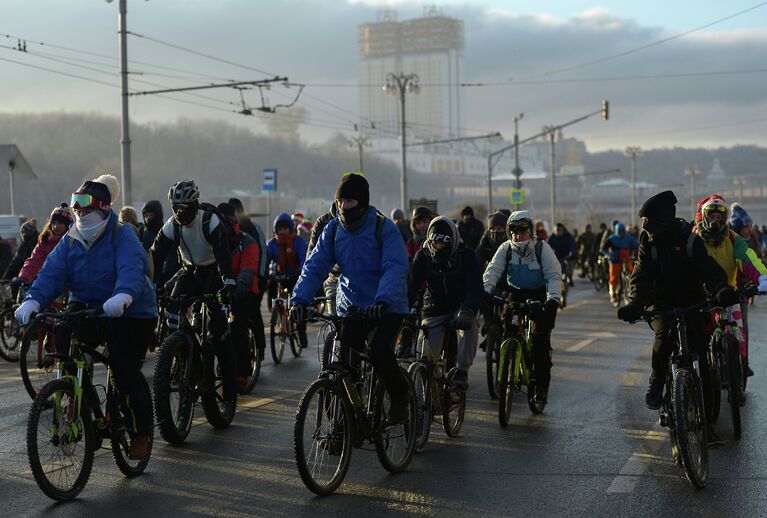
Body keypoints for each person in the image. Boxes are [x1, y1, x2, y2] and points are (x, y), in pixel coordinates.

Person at [15, 174, 157, 459]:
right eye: (76, 208)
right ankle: (89, 415)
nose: (79, 213)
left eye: (86, 208)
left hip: (131, 310)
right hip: (90, 306)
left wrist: (124, 295)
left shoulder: (121, 234)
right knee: (66, 336)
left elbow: (132, 267)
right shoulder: (70, 240)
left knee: (123, 368)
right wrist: (33, 299)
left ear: (104, 208)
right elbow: (51, 274)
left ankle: (141, 430)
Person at [616, 190, 737, 446]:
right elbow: (641, 275)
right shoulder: (648, 242)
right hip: (661, 305)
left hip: (693, 304)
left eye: (649, 222)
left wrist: (721, 289)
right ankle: (657, 379)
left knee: (701, 363)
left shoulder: (690, 240)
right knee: (664, 335)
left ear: (664, 220)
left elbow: (709, 270)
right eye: (643, 223)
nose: (646, 227)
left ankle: (707, 428)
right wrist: (636, 303)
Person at [290, 173, 411, 422]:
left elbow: (395, 266)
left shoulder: (383, 228)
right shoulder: (333, 229)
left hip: (386, 305)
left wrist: (383, 300)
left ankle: (400, 396)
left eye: (350, 201)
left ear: (363, 203)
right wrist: (299, 300)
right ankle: (347, 418)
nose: (343, 207)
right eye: (340, 201)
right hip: (352, 305)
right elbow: (314, 266)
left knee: (379, 351)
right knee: (345, 358)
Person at [149, 179, 238, 405]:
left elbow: (223, 254)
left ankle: (230, 389)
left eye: (184, 207)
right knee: (172, 306)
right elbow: (155, 256)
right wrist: (145, 280)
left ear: (194, 204)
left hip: (215, 275)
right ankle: (181, 351)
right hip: (190, 272)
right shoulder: (172, 225)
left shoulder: (209, 220)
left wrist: (229, 281)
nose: (179, 212)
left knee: (219, 331)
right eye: (175, 208)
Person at [483, 210, 562, 405]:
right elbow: (493, 271)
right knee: (507, 331)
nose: (518, 234)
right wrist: (486, 291)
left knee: (539, 341)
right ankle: (508, 363)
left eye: (523, 230)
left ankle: (541, 387)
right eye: (514, 230)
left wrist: (552, 300)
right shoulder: (505, 249)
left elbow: (553, 275)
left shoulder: (542, 248)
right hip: (516, 294)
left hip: (539, 296)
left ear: (531, 231)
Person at [693, 195, 767, 392]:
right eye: (712, 216)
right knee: (698, 341)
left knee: (739, 337)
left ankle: (740, 374)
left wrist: (763, 278)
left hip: (730, 296)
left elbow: (749, 258)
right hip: (702, 299)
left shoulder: (733, 238)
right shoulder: (694, 238)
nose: (716, 221)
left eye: (720, 216)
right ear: (704, 216)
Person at [409, 216, 483, 391]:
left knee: (470, 326)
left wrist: (468, 309)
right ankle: (423, 398)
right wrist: (403, 309)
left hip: (461, 306)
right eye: (434, 242)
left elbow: (476, 287)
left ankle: (462, 372)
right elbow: (412, 286)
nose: (438, 246)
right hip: (433, 308)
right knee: (425, 358)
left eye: (443, 242)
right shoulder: (423, 255)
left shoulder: (466, 255)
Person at [217, 202, 264, 385]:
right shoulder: (213, 240)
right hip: (222, 289)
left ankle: (242, 371)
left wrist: (241, 285)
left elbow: (248, 267)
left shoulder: (246, 241)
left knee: (238, 326)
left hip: (244, 290)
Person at [11, 204, 73, 301]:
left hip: (68, 287)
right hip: (47, 284)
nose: (56, 226)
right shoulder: (45, 241)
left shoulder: (73, 241)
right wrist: (23, 278)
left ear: (67, 225)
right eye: (54, 223)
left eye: (60, 223)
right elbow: (34, 260)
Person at [267, 212, 308, 347]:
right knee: (271, 284)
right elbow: (266, 259)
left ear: (290, 229)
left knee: (299, 306)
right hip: (281, 275)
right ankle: (274, 310)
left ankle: (301, 332)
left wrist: (301, 272)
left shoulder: (298, 242)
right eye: (280, 229)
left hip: (296, 276)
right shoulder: (272, 244)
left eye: (285, 228)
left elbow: (304, 258)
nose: (283, 231)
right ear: (276, 230)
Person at [603, 222, 639, 307]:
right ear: (616, 231)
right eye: (620, 231)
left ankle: (632, 290)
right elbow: (604, 249)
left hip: (626, 260)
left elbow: (637, 246)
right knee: (614, 278)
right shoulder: (611, 239)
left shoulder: (628, 238)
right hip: (615, 261)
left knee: (631, 274)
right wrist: (609, 255)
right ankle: (613, 294)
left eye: (622, 231)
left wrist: (637, 253)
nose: (621, 233)